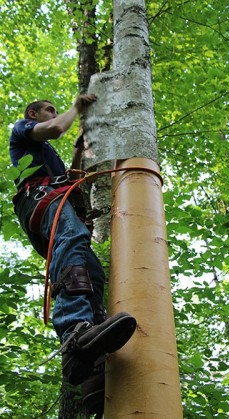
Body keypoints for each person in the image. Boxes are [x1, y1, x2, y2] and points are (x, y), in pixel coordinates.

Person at [9, 95, 136, 402]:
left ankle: (90, 367)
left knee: (92, 271)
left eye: (55, 109)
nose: (53, 113)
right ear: (33, 113)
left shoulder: (47, 156)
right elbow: (54, 129)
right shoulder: (24, 130)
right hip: (41, 199)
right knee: (73, 239)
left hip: (54, 199)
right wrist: (77, 107)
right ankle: (74, 332)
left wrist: (79, 148)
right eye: (48, 109)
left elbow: (70, 178)